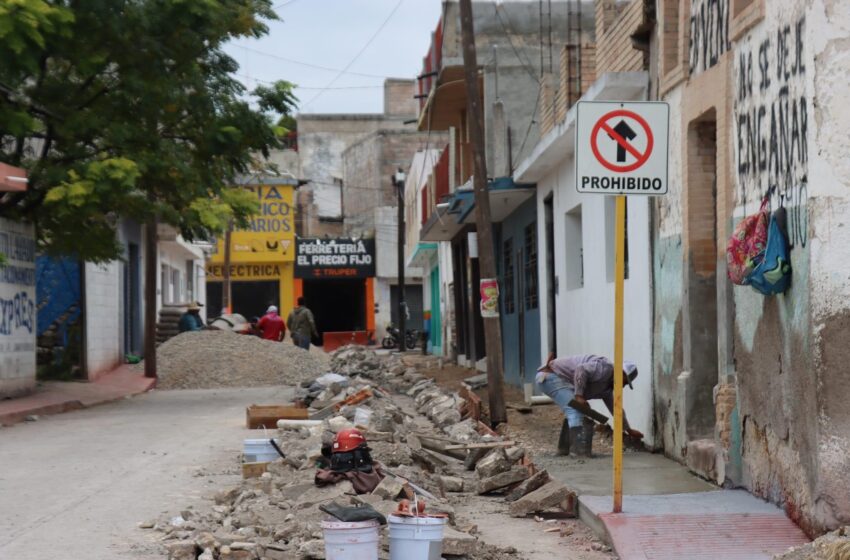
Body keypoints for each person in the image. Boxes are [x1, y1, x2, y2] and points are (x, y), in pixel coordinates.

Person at [536, 353, 644, 457]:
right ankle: (578, 452)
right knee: (575, 409)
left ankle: (564, 449)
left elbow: (616, 409)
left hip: (558, 379)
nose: (623, 386)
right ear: (622, 373)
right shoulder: (604, 368)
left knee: (578, 408)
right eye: (625, 382)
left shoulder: (606, 388)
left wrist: (628, 430)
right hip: (550, 376)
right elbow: (581, 369)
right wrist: (579, 396)